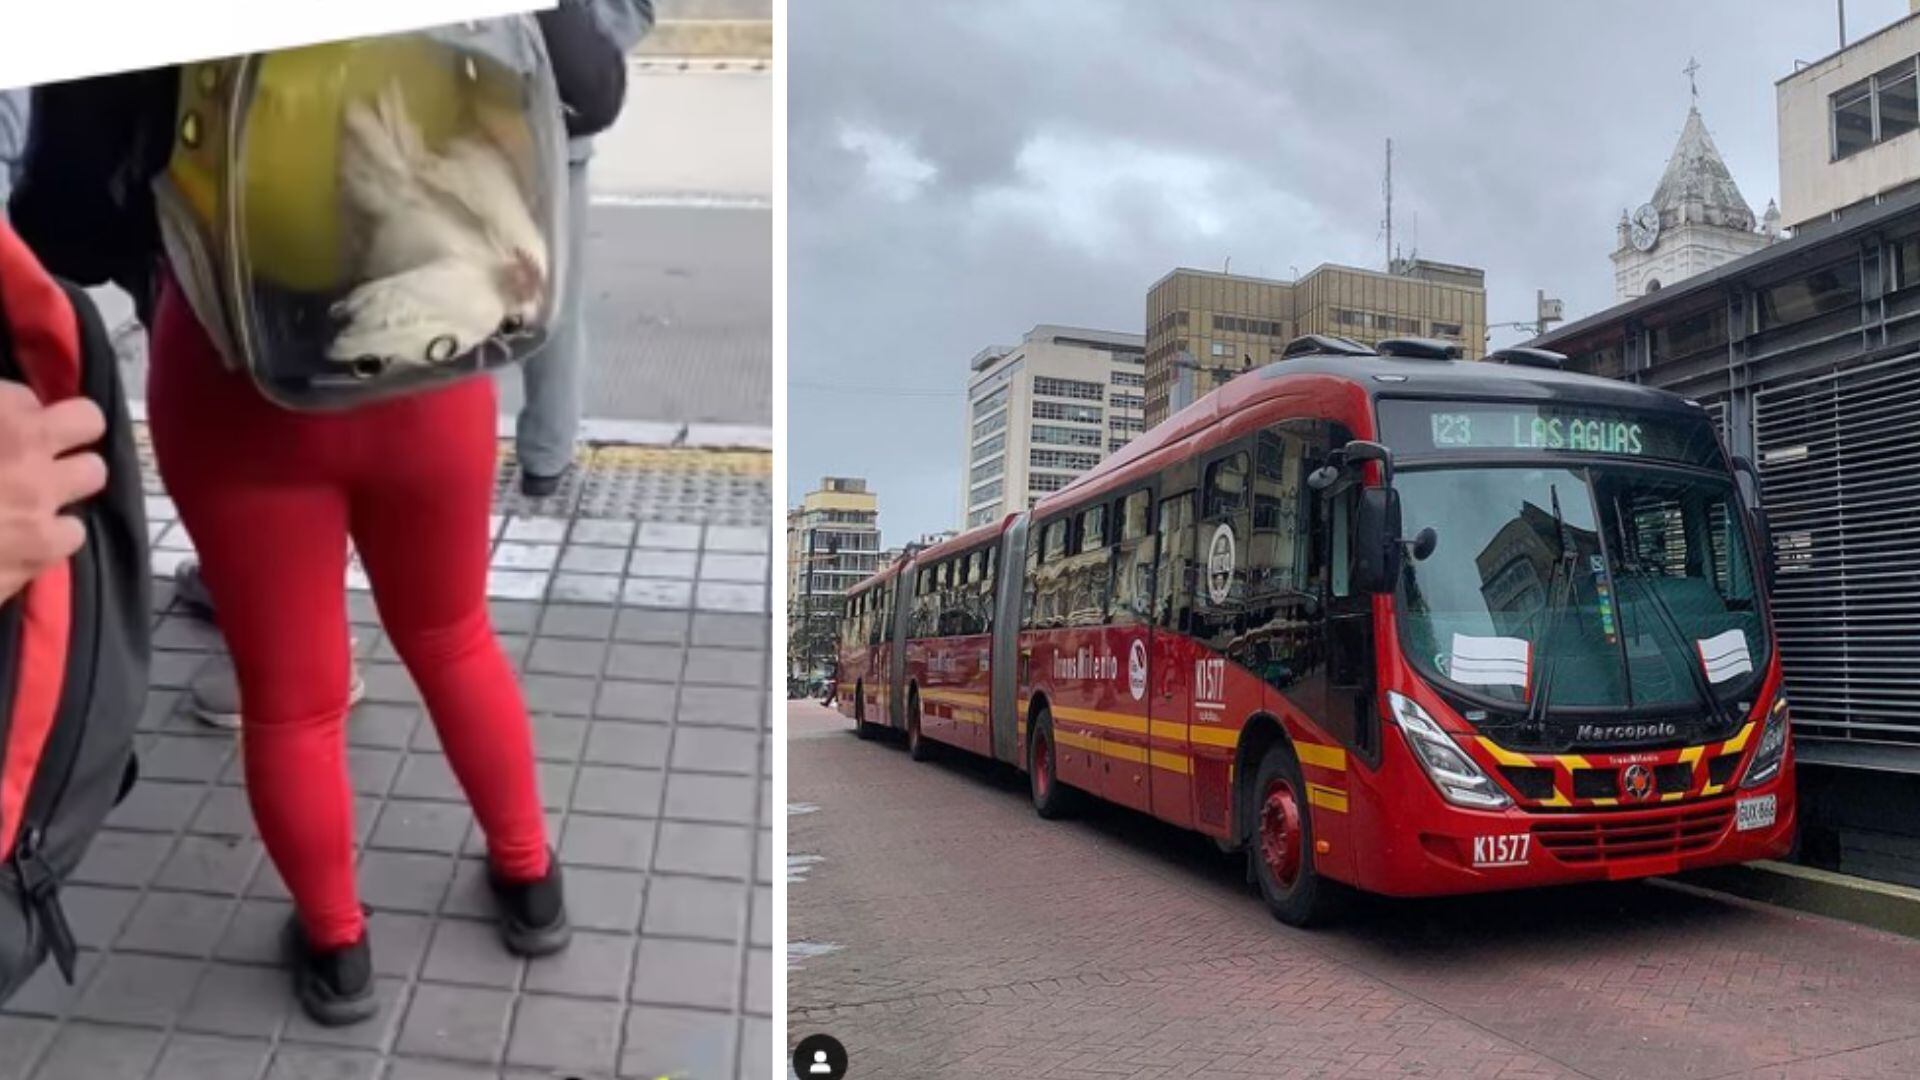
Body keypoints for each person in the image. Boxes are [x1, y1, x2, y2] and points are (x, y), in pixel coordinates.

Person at [11, 16, 628, 1025]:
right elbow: (592, 87)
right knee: (452, 634)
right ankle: (530, 882)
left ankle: (339, 950)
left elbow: (62, 219)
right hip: (430, 350)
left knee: (291, 697)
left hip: (234, 375)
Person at [515, 0, 654, 497]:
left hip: (438, 129)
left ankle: (446, 462)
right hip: (553, 134)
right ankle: (545, 462)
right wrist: (577, 44)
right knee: (555, 309)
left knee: (435, 305)